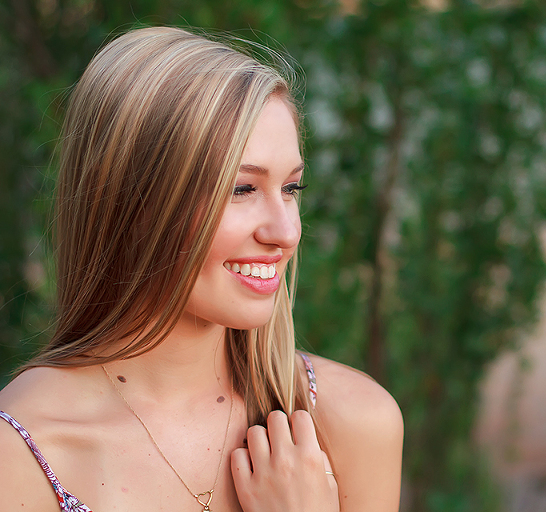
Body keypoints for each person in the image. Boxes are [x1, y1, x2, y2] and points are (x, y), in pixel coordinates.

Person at [0, 26, 403, 511]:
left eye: (291, 189)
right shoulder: (23, 455)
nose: (285, 232)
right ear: (132, 201)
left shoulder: (352, 423)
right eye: (241, 189)